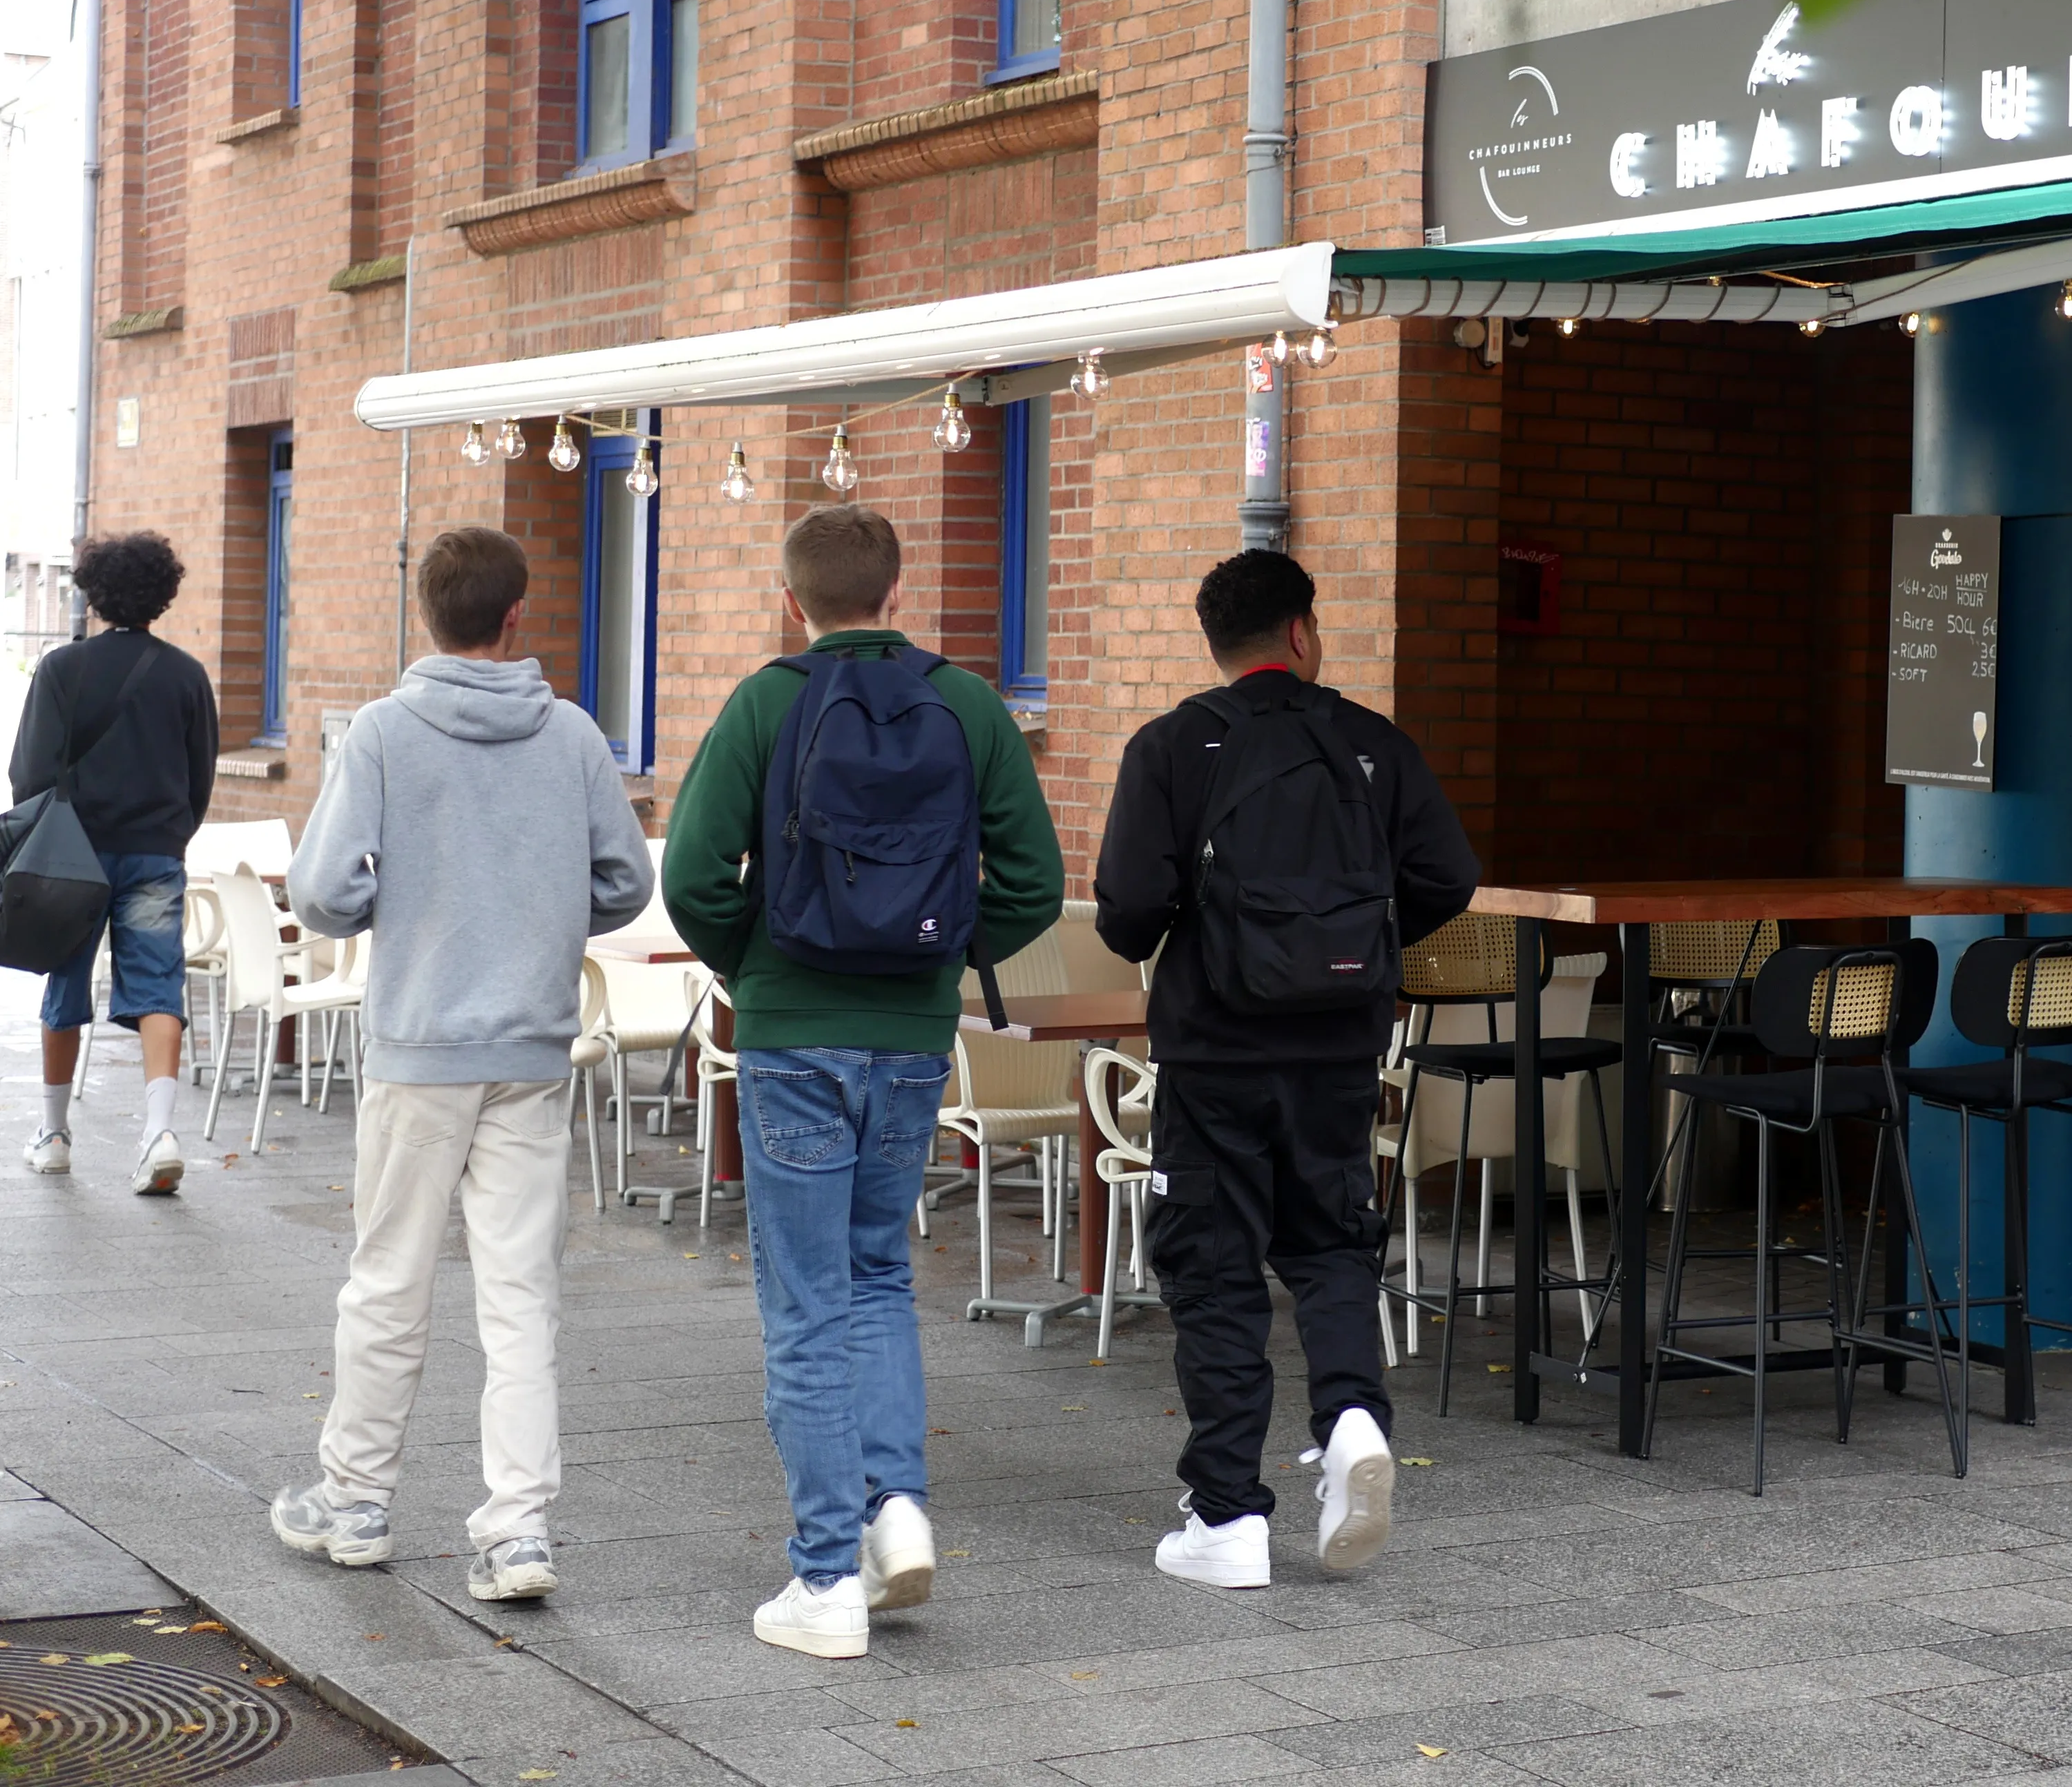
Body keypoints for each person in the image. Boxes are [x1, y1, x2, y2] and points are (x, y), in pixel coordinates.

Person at [663, 503, 1063, 1659]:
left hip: (792, 1033)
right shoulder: (970, 702)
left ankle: (825, 1578)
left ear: (793, 600)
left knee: (803, 1301)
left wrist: (760, 959)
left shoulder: (765, 701)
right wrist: (941, 949)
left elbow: (694, 874)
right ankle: (896, 1508)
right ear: (896, 592)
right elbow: (1033, 881)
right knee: (879, 1277)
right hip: (911, 1035)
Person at [269, 526, 653, 1596]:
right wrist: (541, 910)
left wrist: (405, 898)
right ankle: (518, 1530)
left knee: (387, 1283)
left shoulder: (387, 734)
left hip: (419, 1045)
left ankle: (355, 1501)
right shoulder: (572, 735)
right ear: (516, 617)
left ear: (427, 618)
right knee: (521, 1297)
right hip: (530, 1046)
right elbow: (623, 885)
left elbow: (320, 893)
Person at [1093, 548, 1479, 1591]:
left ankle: (1226, 1520)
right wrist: (1361, 946)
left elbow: (1125, 910)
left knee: (1215, 1273)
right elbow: (1449, 875)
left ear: (1218, 645)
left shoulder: (1174, 747)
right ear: (1303, 634)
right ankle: (1352, 1417)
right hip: (1342, 1047)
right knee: (1331, 1246)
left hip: (1215, 1052)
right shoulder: (1371, 745)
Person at [12, 530, 218, 1192]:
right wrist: (171, 834)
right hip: (154, 851)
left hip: (71, 858)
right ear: (163, 594)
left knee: (65, 982)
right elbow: (200, 776)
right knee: (160, 985)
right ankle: (159, 1132)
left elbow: (29, 775)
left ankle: (53, 1135)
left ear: (93, 593)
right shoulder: (187, 675)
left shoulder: (59, 670)